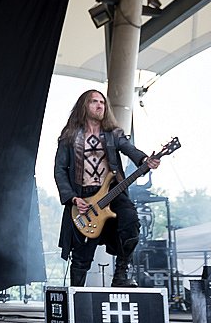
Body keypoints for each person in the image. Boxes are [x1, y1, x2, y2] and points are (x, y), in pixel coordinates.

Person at [54, 90, 160, 287]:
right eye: (94, 102)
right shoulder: (69, 137)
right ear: (84, 106)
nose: (100, 106)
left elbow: (129, 148)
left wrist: (145, 160)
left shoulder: (113, 134)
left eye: (102, 102)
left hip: (113, 192)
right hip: (83, 197)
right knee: (82, 253)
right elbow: (59, 170)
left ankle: (121, 275)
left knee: (131, 224)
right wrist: (73, 198)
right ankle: (76, 294)